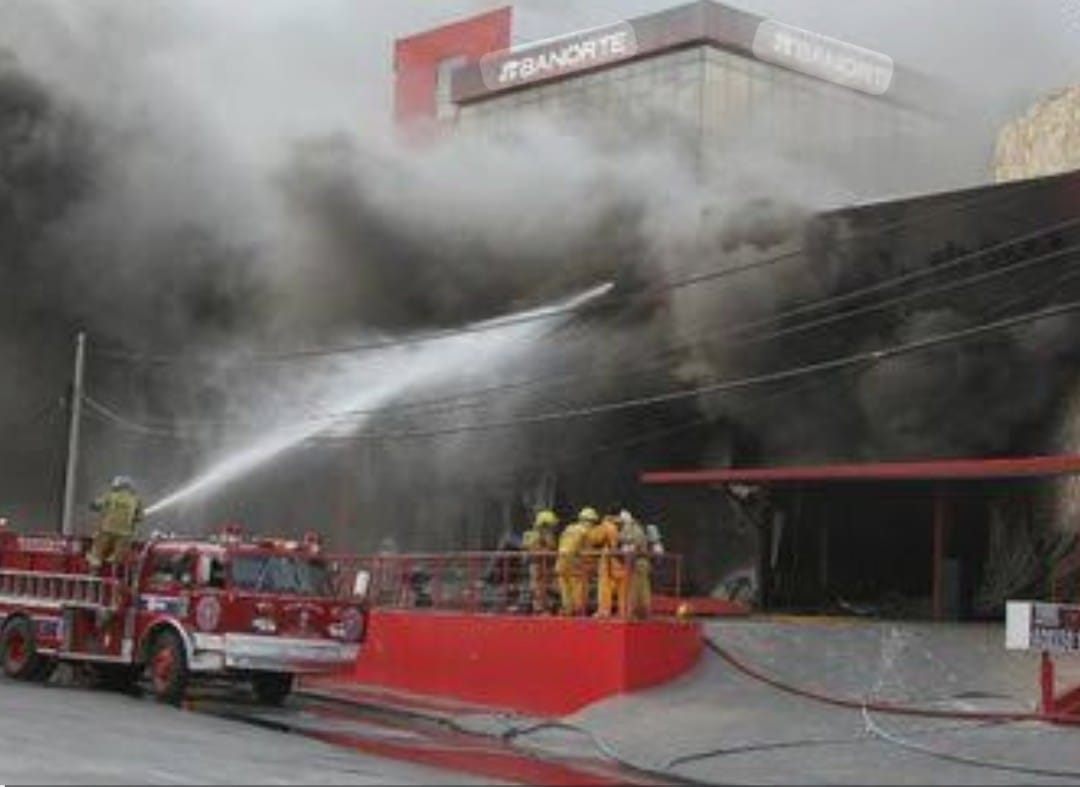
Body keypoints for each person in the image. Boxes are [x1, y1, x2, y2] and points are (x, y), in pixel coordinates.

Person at [87, 476, 144, 572]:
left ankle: (94, 569)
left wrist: (94, 506)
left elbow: (95, 505)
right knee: (118, 556)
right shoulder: (136, 499)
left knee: (97, 552)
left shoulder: (110, 496)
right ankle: (113, 567)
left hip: (107, 530)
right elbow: (140, 517)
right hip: (125, 533)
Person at [619, 511, 663, 619]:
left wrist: (625, 550)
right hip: (642, 563)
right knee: (642, 589)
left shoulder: (636, 530)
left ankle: (634, 613)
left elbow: (632, 546)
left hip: (637, 563)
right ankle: (642, 613)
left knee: (635, 589)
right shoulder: (644, 529)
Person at [555, 507, 595, 616]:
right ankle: (578, 611)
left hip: (561, 563)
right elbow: (586, 552)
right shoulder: (585, 532)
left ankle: (568, 610)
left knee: (565, 590)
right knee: (578, 589)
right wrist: (592, 565)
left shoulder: (569, 528)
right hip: (574, 565)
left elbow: (561, 544)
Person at [587, 509, 624, 618]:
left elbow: (594, 540)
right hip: (622, 561)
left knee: (605, 587)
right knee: (623, 589)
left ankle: (604, 611)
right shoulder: (622, 525)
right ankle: (624, 611)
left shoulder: (606, 526)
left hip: (608, 560)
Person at [522, 509, 559, 613]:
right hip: (537, 565)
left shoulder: (546, 535)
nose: (553, 529)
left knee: (548, 587)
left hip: (546, 565)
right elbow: (531, 551)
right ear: (544, 525)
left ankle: (546, 607)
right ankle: (540, 609)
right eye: (550, 526)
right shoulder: (533, 536)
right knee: (538, 588)